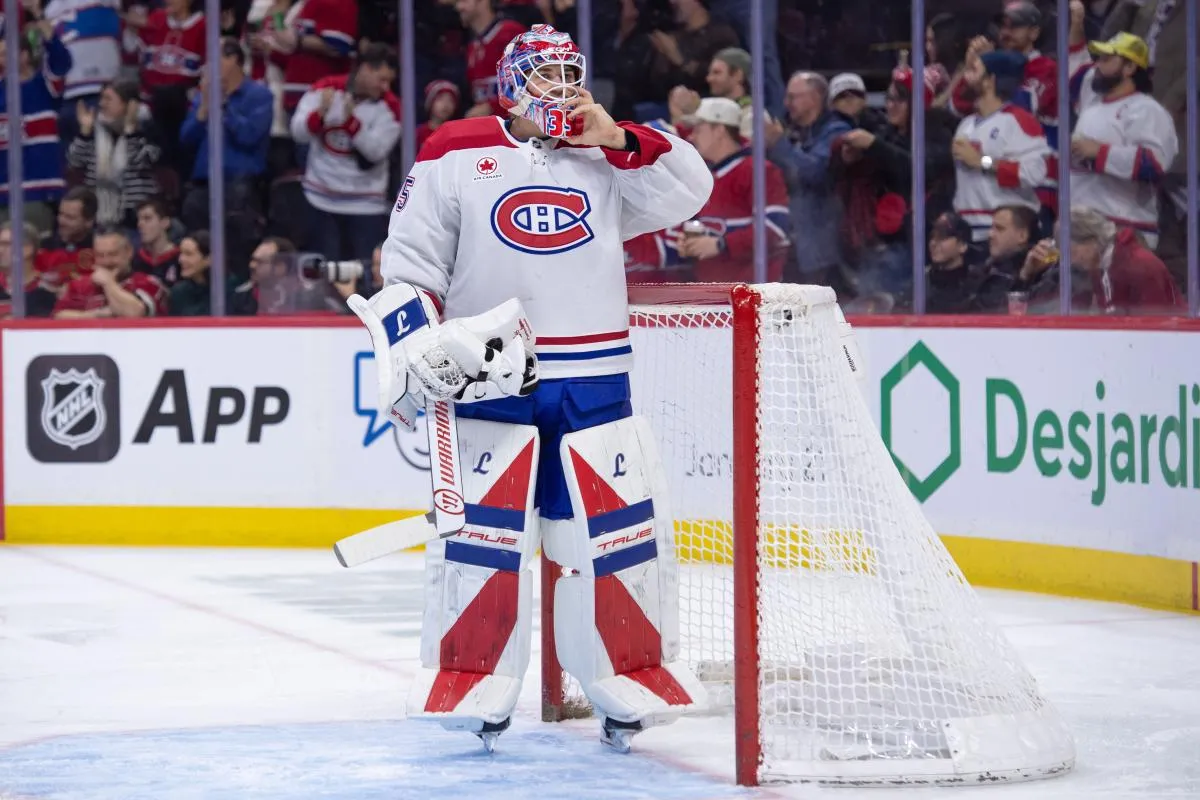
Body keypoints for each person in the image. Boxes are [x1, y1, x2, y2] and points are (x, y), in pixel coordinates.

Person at [351, 24, 712, 755]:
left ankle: (621, 677)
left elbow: (690, 191)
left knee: (613, 537)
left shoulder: (605, 154)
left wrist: (615, 137)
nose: (562, 85)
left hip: (595, 378)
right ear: (512, 81)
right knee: (487, 539)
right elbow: (411, 265)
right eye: (545, 72)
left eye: (570, 71)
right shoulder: (456, 149)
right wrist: (414, 351)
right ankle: (477, 678)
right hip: (492, 379)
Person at [52, 227, 167, 318]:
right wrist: (93, 316)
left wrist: (108, 283)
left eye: (112, 254)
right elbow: (58, 316)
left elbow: (134, 314)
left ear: (129, 252)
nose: (106, 262)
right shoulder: (79, 285)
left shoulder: (148, 283)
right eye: (100, 255)